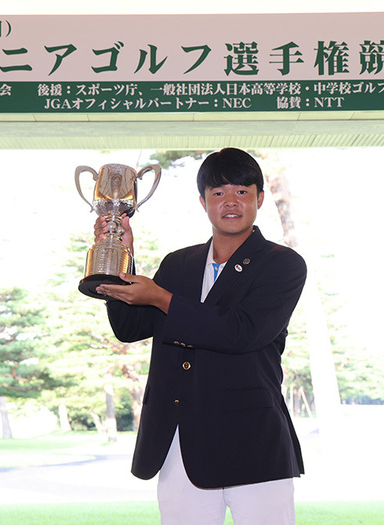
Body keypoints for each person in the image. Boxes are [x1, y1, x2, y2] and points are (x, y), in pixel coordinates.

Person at [94, 147, 307, 525]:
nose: (230, 202)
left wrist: (160, 297)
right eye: (218, 192)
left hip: (253, 442)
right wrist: (120, 254)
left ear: (259, 198)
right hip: (179, 442)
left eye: (242, 192)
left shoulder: (283, 264)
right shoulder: (179, 264)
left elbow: (241, 331)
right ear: (203, 202)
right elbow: (130, 328)